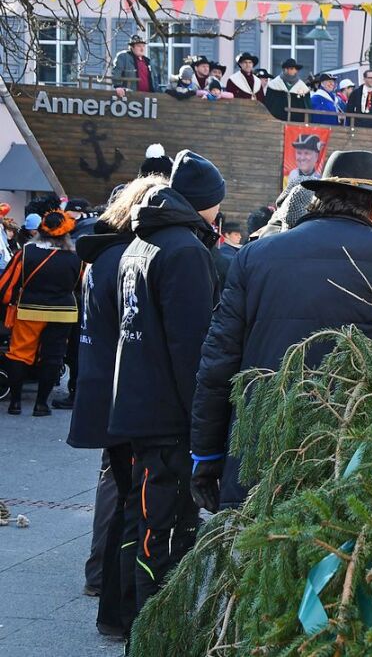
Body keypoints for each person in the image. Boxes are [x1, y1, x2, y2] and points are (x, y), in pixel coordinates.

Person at [189, 150, 372, 512]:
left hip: (262, 456)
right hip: (355, 455)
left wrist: (206, 452)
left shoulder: (254, 255)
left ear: (321, 197)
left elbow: (218, 363)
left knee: (260, 560)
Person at [108, 150, 223, 625]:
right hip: (168, 421)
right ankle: (154, 633)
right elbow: (192, 350)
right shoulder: (185, 251)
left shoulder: (143, 242)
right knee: (166, 538)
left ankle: (135, 624)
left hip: (137, 409)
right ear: (205, 203)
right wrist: (202, 431)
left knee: (144, 529)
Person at [67, 176, 165, 638]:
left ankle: (100, 579)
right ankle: (102, 580)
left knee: (116, 484)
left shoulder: (102, 257)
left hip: (100, 383)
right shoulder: (125, 258)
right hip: (117, 390)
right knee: (122, 491)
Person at [0, 210, 83, 415]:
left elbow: (6, 284)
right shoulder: (77, 258)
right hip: (64, 313)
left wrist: (7, 305)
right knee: (53, 357)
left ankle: (15, 403)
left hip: (29, 310)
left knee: (19, 354)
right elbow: (83, 287)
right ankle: (41, 405)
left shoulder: (26, 252)